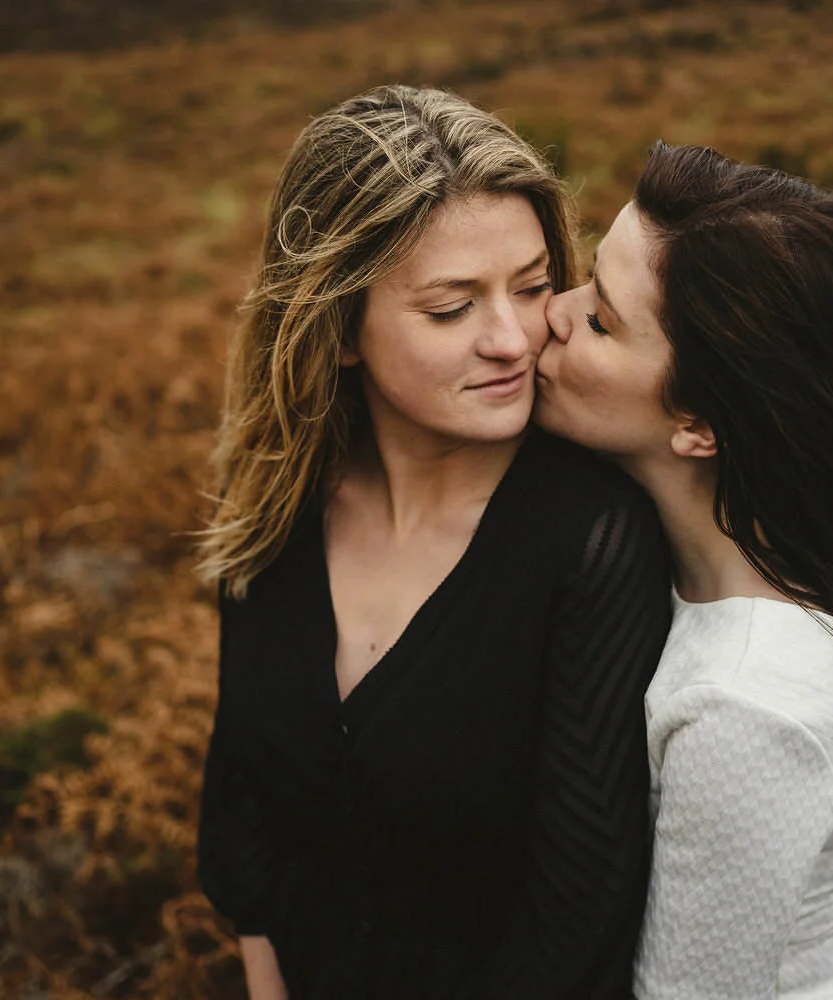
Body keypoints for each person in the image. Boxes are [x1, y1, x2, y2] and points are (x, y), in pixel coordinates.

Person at [194, 85, 672, 1000]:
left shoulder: (592, 541)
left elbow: (579, 916)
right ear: (338, 333)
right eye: (452, 307)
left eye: (533, 288)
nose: (511, 339)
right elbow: (245, 807)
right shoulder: (277, 506)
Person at [534, 142, 833, 1000]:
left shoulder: (749, 709)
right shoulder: (790, 551)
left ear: (698, 421)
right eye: (585, 278)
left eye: (602, 320)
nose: (553, 311)